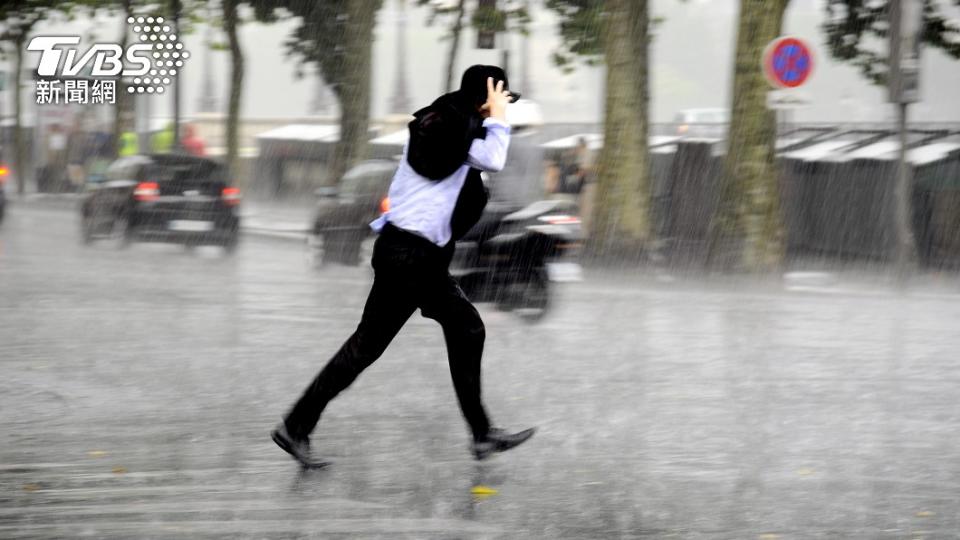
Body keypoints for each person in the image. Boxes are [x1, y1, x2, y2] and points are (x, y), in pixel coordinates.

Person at [271, 65, 535, 468]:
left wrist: (489, 115)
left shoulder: (446, 128)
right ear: (483, 98)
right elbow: (494, 159)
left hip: (411, 255)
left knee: (431, 336)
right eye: (497, 99)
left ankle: (298, 425)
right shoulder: (452, 129)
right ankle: (297, 425)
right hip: (411, 257)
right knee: (413, 339)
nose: (499, 110)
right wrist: (498, 115)